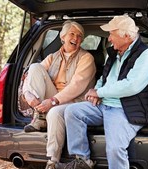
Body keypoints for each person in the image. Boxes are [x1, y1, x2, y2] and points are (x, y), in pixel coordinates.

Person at [60, 14, 148, 169]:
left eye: (111, 34)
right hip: (104, 105)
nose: (109, 39)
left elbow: (131, 85)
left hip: (125, 109)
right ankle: (82, 161)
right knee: (72, 111)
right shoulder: (112, 53)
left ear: (126, 36)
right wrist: (96, 91)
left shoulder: (146, 54)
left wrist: (100, 93)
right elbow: (103, 78)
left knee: (114, 148)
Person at [19, 20, 96, 169]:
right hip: (54, 98)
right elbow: (33, 75)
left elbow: (76, 86)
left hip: (75, 101)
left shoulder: (86, 58)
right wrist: (27, 93)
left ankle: (52, 161)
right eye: (72, 34)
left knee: (54, 111)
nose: (76, 38)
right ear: (63, 37)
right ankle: (40, 116)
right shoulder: (52, 57)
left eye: (80, 36)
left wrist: (53, 101)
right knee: (34, 67)